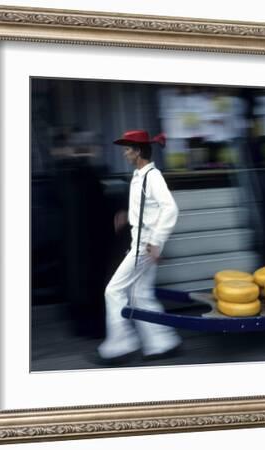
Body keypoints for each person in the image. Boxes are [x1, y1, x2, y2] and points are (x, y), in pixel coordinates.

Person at [96, 130, 182, 364]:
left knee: (113, 291)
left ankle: (120, 345)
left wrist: (156, 242)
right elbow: (148, 206)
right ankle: (162, 342)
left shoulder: (152, 177)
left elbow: (170, 209)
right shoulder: (140, 175)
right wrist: (128, 215)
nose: (124, 153)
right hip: (141, 242)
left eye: (127, 149)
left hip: (144, 246)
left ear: (138, 151)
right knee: (140, 294)